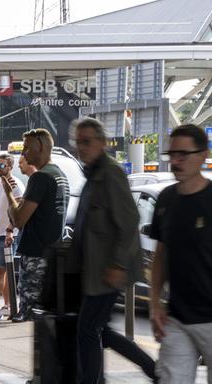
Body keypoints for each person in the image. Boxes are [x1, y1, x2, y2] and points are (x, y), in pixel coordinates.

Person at [70, 118, 156, 383]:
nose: (81, 148)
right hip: (93, 270)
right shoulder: (94, 174)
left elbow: (129, 221)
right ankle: (154, 370)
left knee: (87, 329)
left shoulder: (110, 173)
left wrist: (118, 265)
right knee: (100, 331)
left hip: (107, 270)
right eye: (78, 142)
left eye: (87, 142)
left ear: (102, 143)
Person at [149, 124, 212, 383]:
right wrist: (154, 303)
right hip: (176, 318)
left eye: (182, 155)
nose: (175, 161)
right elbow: (161, 256)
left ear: (203, 155)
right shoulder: (165, 199)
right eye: (171, 154)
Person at [1, 128, 69, 322]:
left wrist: (9, 195)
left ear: (40, 148)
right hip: (52, 255)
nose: (23, 153)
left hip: (35, 256)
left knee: (32, 316)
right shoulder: (60, 175)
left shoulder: (40, 178)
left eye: (26, 148)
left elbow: (19, 219)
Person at [0, 154, 23, 322]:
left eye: (2, 165)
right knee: (2, 273)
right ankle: (8, 305)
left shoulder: (16, 186)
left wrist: (10, 231)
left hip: (6, 236)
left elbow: (18, 211)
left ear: (10, 167)